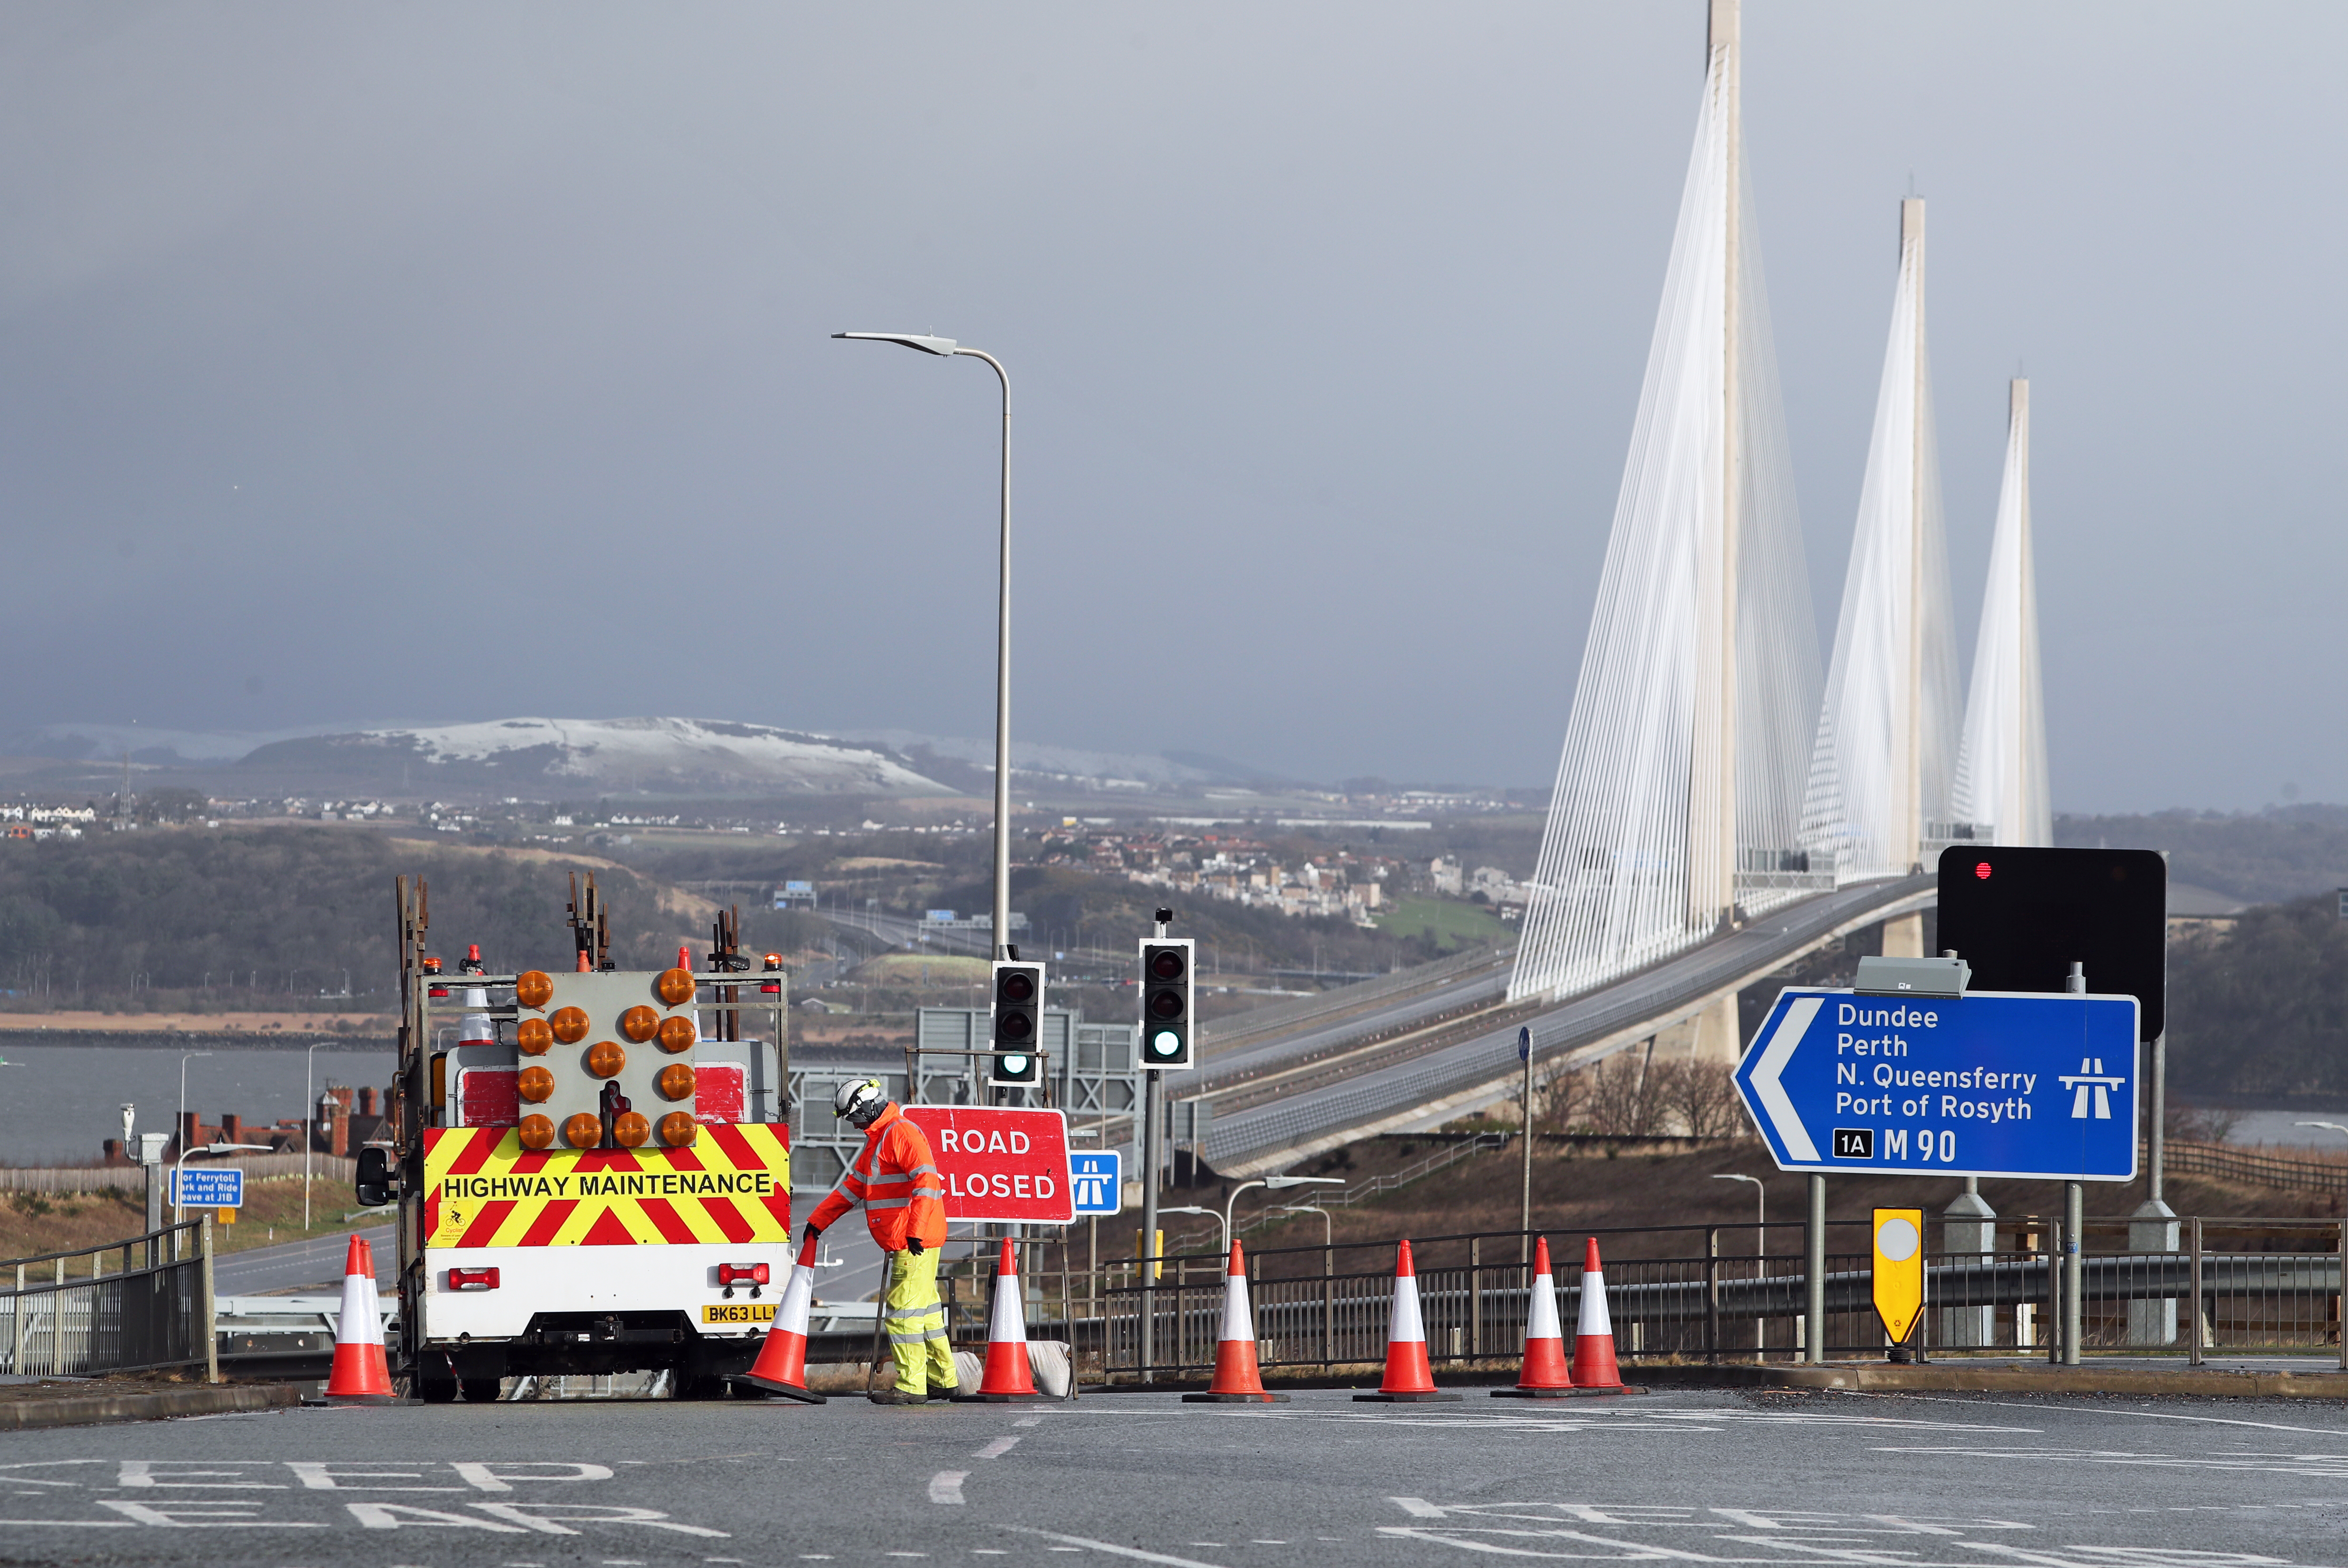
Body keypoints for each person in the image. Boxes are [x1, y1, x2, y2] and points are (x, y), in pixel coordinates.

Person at [803, 1078, 956, 1403]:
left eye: (856, 1118)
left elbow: (927, 1182)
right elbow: (853, 1187)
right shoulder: (879, 1138)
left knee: (901, 1312)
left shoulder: (901, 1133)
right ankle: (943, 1379)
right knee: (925, 1313)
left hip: (912, 1241)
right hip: (912, 1239)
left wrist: (914, 1230)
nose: (855, 1126)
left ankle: (913, 1386)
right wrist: (818, 1221)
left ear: (870, 1108)